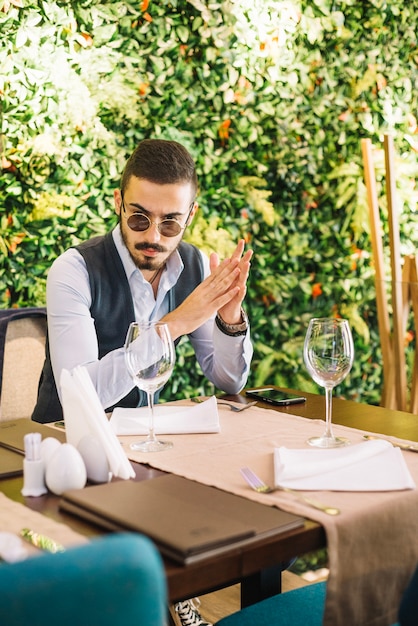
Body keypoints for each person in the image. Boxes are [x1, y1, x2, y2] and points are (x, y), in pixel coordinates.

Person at [31, 139, 253, 626]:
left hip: (144, 449)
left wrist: (230, 319)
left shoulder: (194, 266)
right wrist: (176, 322)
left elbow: (228, 378)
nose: (153, 235)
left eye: (169, 222)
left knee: (243, 502)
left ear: (189, 216)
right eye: (139, 218)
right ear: (118, 203)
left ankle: (172, 594)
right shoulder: (74, 269)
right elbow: (78, 394)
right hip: (67, 453)